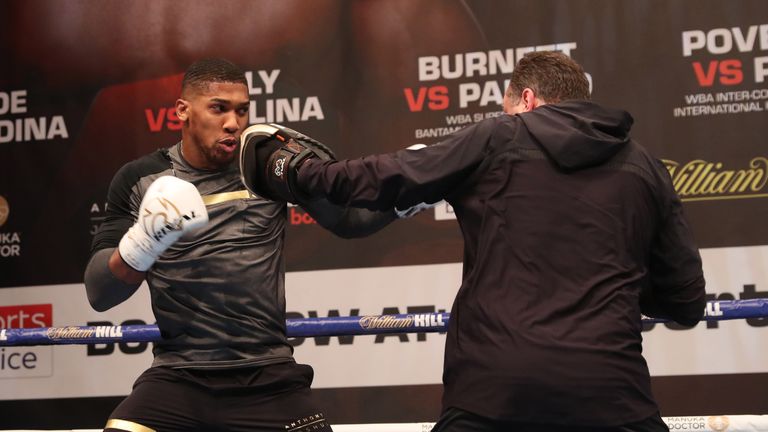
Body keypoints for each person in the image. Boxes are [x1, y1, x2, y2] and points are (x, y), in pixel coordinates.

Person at [243, 51, 707, 431]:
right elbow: (685, 302)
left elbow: (382, 178)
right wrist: (612, 285)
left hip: (496, 395)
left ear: (525, 99)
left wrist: (292, 169)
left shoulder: (500, 137)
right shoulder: (644, 165)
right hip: (613, 395)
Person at [84, 58, 396, 432]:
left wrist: (410, 192)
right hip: (178, 377)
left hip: (268, 377)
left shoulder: (267, 168)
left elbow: (348, 220)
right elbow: (99, 293)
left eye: (242, 110)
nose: (233, 123)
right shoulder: (140, 179)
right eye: (219, 109)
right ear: (183, 111)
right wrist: (143, 242)